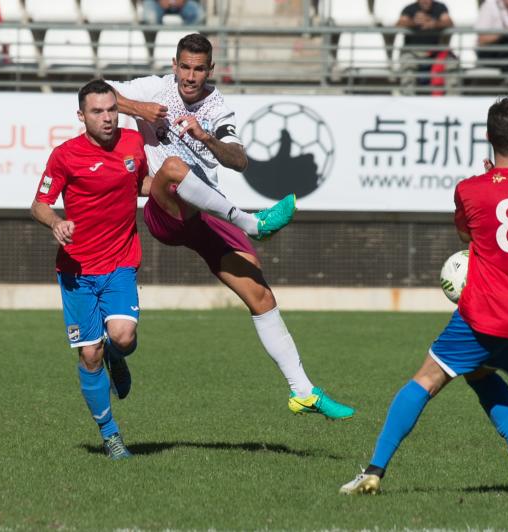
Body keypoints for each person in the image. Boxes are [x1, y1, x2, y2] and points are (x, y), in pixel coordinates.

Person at [105, 33, 356, 420]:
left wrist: (206, 137)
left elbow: (239, 160)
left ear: (210, 70)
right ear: (174, 65)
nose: (190, 76)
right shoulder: (154, 88)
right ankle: (252, 223)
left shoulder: (217, 107)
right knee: (172, 170)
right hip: (167, 212)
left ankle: (302, 391)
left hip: (207, 213)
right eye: (185, 67)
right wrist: (139, 108)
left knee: (261, 296)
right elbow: (94, 94)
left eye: (199, 69)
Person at [339, 97, 508, 496]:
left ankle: (373, 471)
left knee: (425, 378)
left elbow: (468, 236)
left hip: (487, 311)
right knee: (480, 373)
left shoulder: (469, 190)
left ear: (487, 138)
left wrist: (490, 180)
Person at [31, 80, 152, 460]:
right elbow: (39, 203)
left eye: (112, 109)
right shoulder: (66, 155)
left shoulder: (133, 144)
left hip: (119, 261)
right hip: (77, 271)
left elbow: (142, 183)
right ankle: (110, 434)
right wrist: (55, 223)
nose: (107, 118)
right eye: (97, 111)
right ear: (81, 116)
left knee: (125, 337)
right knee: (89, 356)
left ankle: (118, 357)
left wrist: (171, 186)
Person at [396, 0, 453, 93]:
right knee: (408, 65)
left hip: (436, 53)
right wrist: (415, 22)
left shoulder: (440, 7)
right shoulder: (409, 8)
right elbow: (399, 24)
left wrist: (433, 23)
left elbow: (449, 22)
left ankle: (453, 101)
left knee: (451, 63)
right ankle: (408, 100)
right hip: (412, 52)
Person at [141, 0, 205, 25]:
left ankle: (187, 41)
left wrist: (183, 1)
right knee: (150, 17)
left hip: (183, 3)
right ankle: (151, 47)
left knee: (199, 15)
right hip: (157, 3)